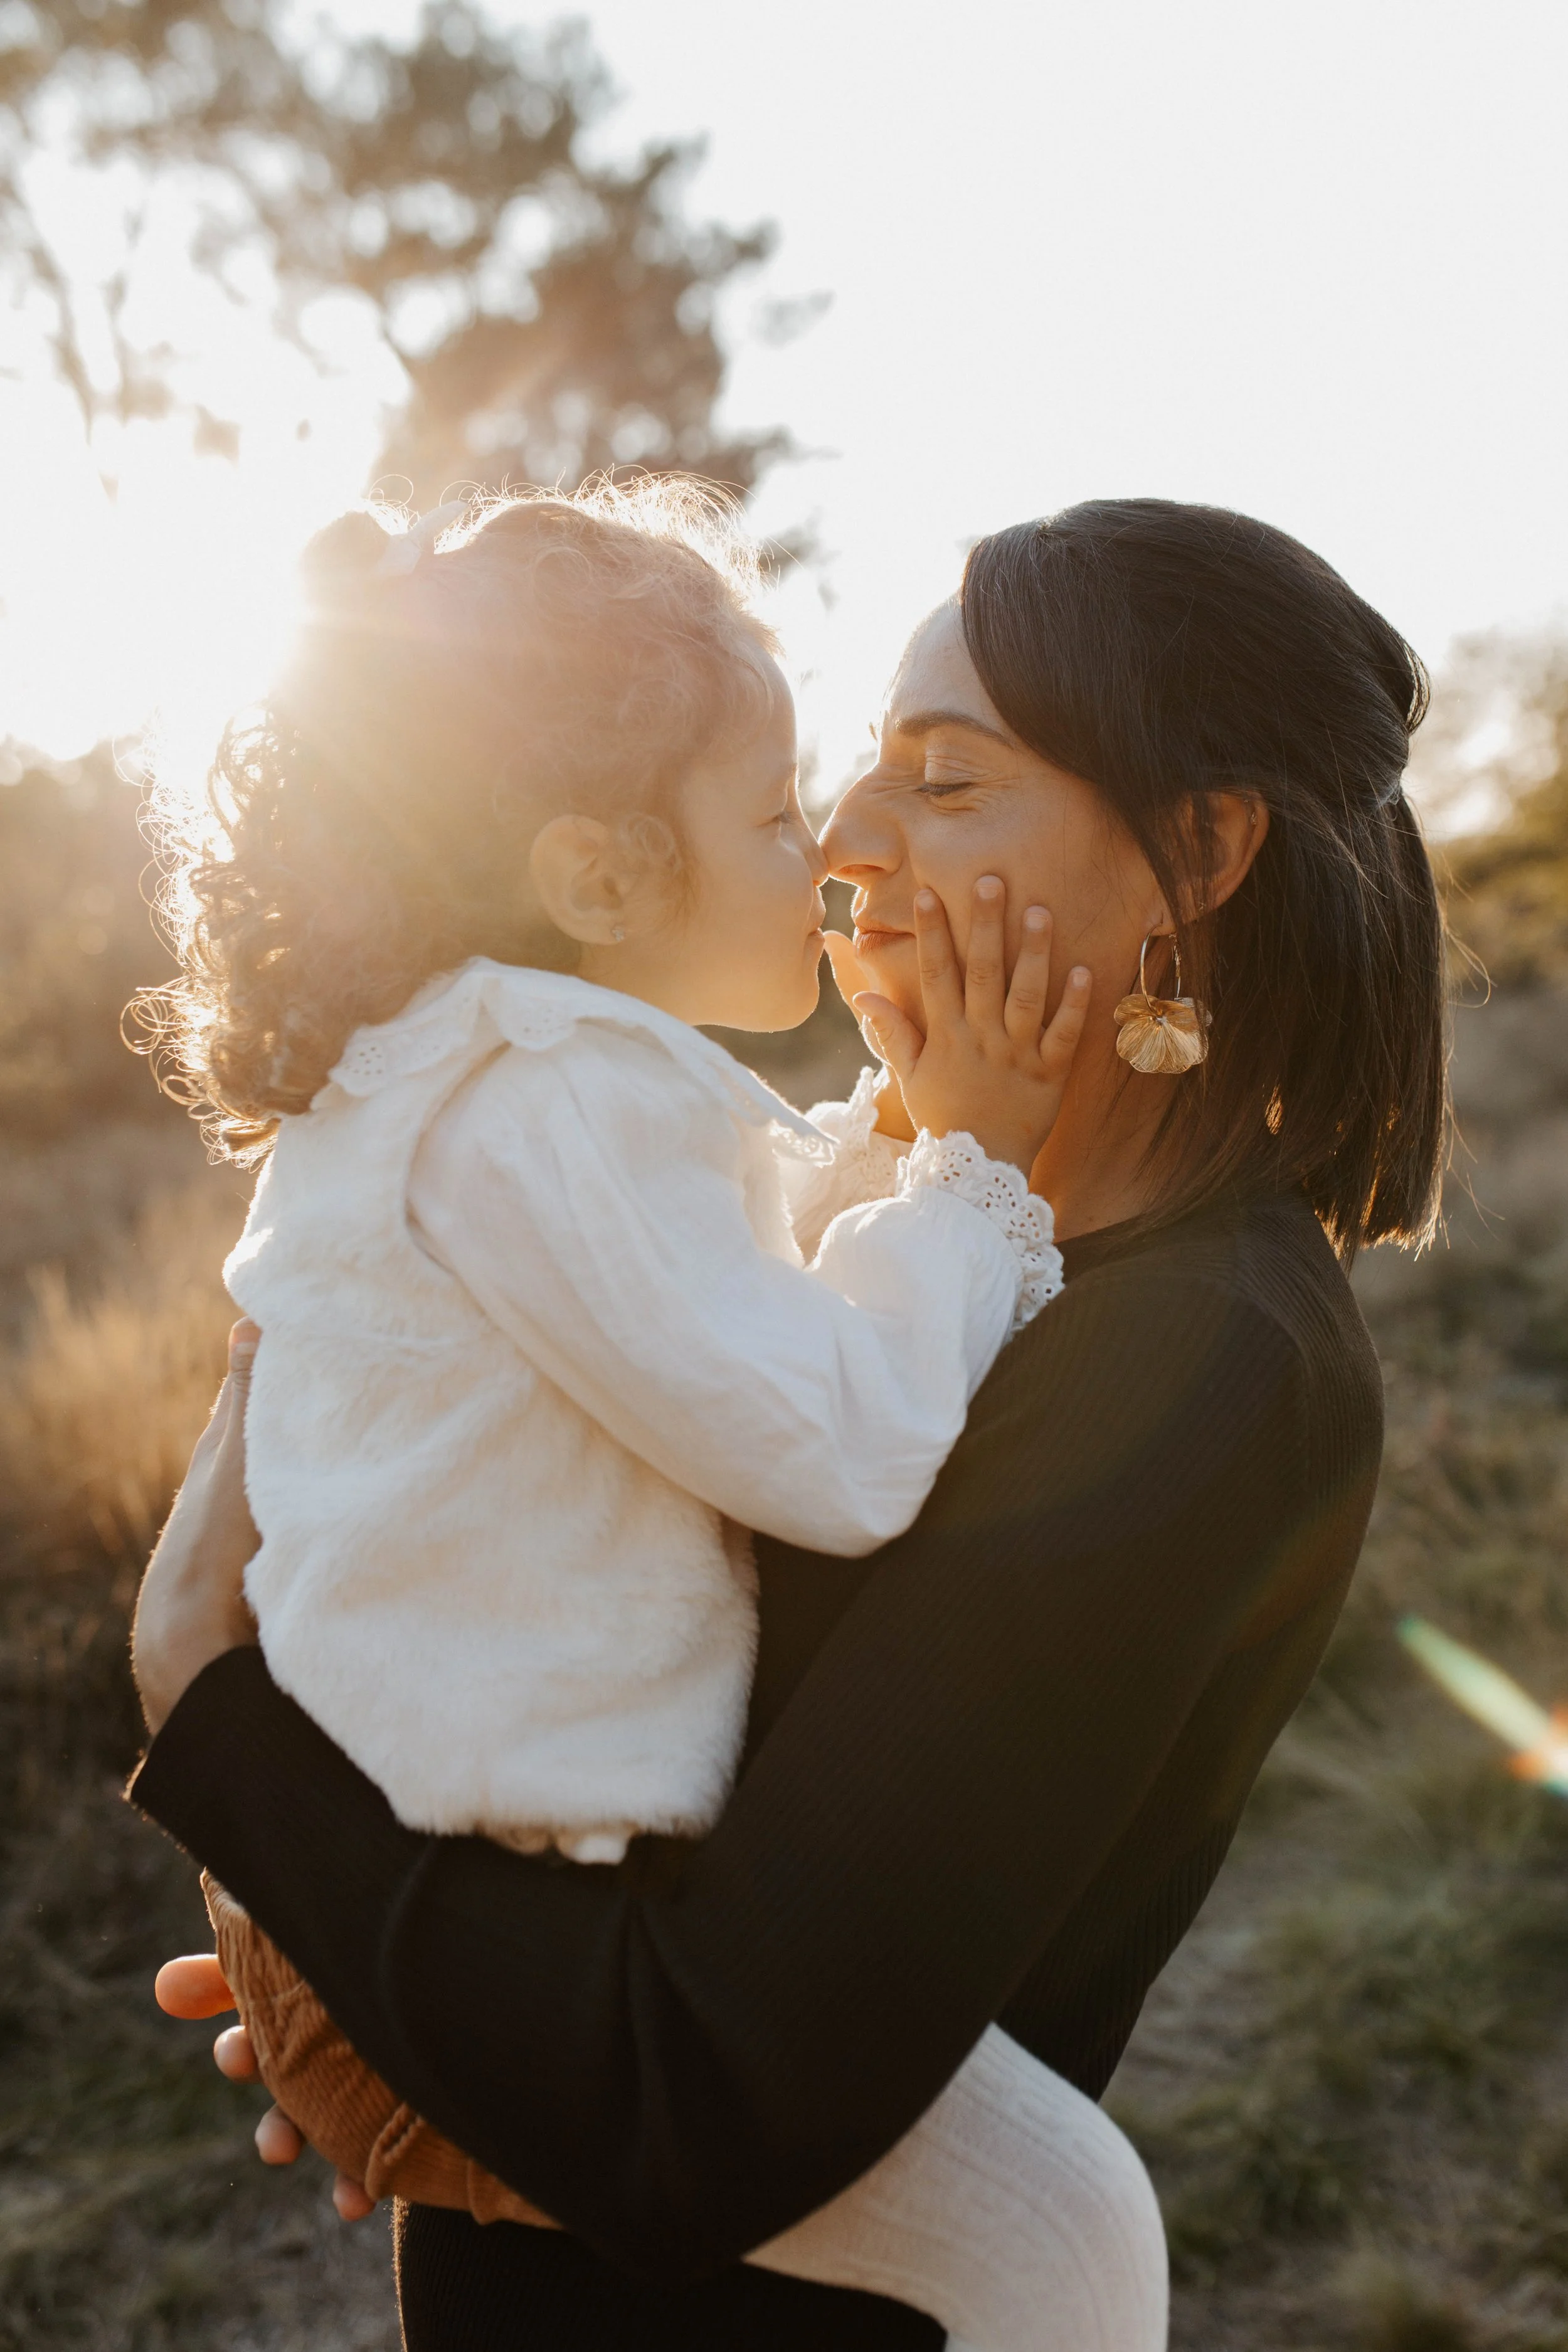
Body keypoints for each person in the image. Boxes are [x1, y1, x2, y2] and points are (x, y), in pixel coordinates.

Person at [132, 497, 1448, 2350]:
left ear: (1199, 850)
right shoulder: (905, 1231)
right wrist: (399, 2002)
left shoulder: (1198, 1357)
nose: (843, 834)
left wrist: (216, 1714)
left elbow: (685, 2091)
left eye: (947, 775)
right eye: (855, 773)